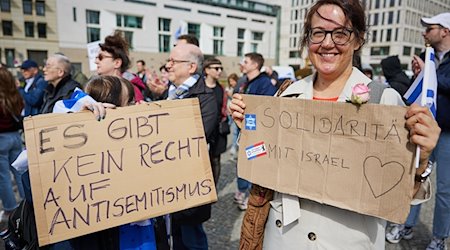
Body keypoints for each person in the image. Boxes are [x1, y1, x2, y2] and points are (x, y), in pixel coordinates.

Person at [229, 0, 441, 249]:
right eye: (318, 33)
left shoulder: (385, 101)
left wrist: (421, 160)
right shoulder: (286, 96)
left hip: (349, 240)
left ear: (358, 39)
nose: (327, 43)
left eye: (340, 33)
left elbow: (403, 196)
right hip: (284, 238)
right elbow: (261, 160)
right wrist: (251, 134)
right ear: (308, 39)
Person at [386, 12, 450, 250]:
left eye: (430, 28)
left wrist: (429, 71)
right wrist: (421, 74)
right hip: (421, 127)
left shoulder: (431, 60)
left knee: (444, 189)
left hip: (446, 133)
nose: (425, 32)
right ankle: (406, 224)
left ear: (444, 31)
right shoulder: (428, 56)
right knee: (414, 176)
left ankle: (439, 237)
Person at [165, 43, 217, 250]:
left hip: (190, 185)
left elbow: (194, 138)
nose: (168, 66)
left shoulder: (204, 98)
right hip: (169, 182)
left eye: (173, 61)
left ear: (191, 67)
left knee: (192, 239)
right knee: (175, 237)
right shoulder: (170, 94)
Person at [234, 52, 277, 210]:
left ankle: (251, 196)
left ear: (255, 65)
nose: (242, 63)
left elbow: (270, 108)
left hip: (258, 134)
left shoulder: (265, 83)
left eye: (245, 61)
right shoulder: (245, 82)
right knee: (243, 162)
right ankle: (243, 190)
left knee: (254, 164)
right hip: (244, 132)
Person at [0, 67, 25, 221]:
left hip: (1, 138)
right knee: (19, 172)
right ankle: (26, 202)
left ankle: (10, 209)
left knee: (3, 177)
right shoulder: (15, 96)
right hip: (15, 137)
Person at [96, 31, 146, 103]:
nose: (96, 61)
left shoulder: (131, 89)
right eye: (96, 58)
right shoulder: (98, 86)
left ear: (117, 63)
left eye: (101, 57)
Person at [203, 57, 228, 185]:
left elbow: (223, 110)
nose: (219, 71)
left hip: (218, 131)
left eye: (221, 69)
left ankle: (213, 187)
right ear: (207, 70)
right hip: (203, 130)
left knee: (216, 160)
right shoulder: (199, 89)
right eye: (216, 68)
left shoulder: (221, 89)